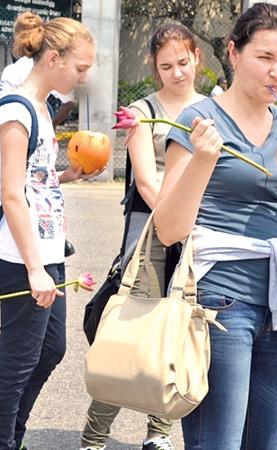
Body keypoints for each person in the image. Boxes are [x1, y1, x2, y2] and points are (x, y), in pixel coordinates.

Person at [153, 4, 277, 449]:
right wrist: (204, 160)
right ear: (233, 52)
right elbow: (168, 228)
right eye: (265, 57)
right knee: (217, 443)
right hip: (218, 304)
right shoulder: (198, 122)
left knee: (266, 443)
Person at [78, 23, 205, 450]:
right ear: (155, 66)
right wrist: (178, 218)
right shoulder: (142, 111)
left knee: (173, 326)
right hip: (150, 229)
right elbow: (148, 184)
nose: (177, 73)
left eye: (183, 63)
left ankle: (159, 432)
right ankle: (95, 435)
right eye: (167, 65)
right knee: (129, 332)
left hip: (197, 231)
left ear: (197, 59)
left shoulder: (212, 109)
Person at [0, 11, 97, 450]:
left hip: (45, 251)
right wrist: (34, 269)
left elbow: (34, 181)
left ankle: (14, 437)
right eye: (80, 68)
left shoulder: (41, 111)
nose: (83, 77)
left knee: (50, 350)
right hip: (19, 254)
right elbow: (11, 195)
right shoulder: (16, 112)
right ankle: (1, 444)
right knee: (18, 359)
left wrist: (67, 176)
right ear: (53, 58)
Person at [0, 55, 76, 128]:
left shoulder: (10, 70)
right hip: (26, 123)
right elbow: (70, 101)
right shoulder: (44, 69)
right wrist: (53, 123)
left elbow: (1, 103)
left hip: (9, 121)